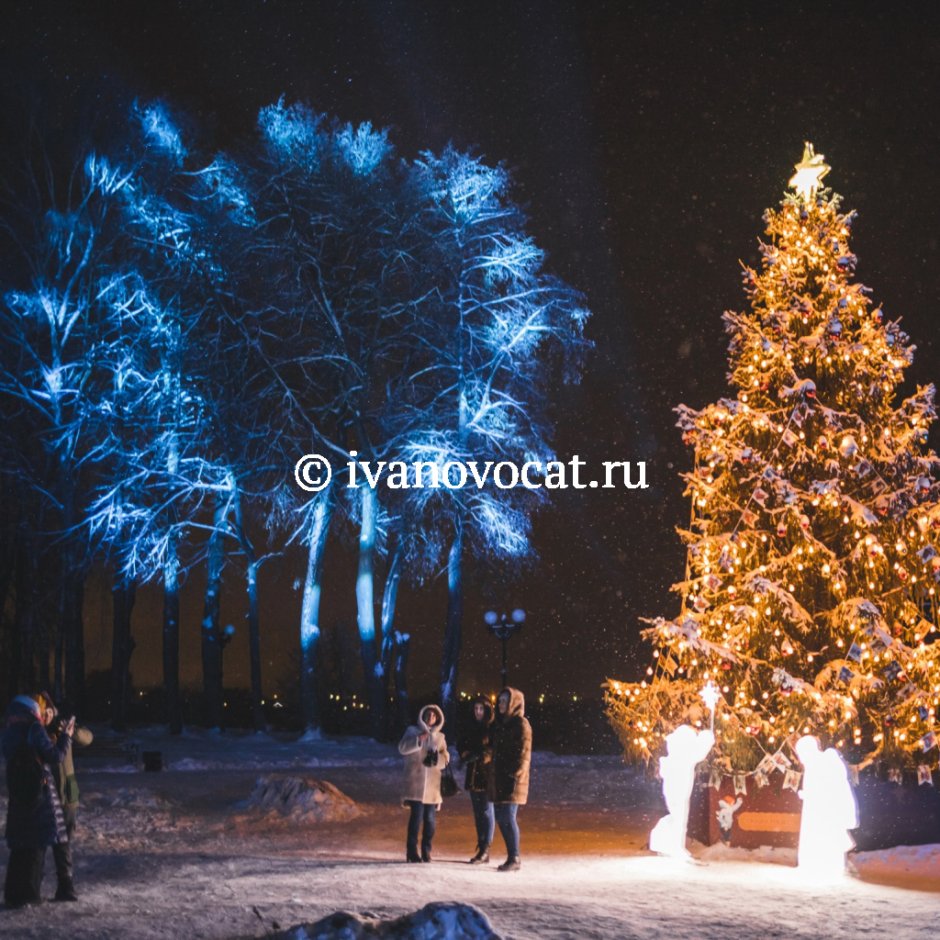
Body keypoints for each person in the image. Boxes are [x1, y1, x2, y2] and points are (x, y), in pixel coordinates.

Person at [2, 693, 74, 908]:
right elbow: (55, 756)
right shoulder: (34, 728)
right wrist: (65, 737)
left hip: (18, 794)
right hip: (38, 793)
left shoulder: (8, 732)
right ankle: (29, 894)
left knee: (20, 846)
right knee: (36, 845)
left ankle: (13, 894)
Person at [44, 694, 93, 901]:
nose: (48, 715)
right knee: (43, 842)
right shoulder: (39, 732)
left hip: (69, 795)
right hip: (48, 793)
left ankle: (66, 886)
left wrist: (70, 731)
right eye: (45, 712)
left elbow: (88, 738)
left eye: (50, 711)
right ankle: (32, 885)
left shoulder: (63, 729)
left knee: (64, 843)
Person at [794, 735, 858, 879]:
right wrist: (807, 794)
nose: (800, 758)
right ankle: (813, 865)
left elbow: (828, 788)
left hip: (825, 813)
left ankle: (826, 866)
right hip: (817, 811)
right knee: (818, 837)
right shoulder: (813, 765)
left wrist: (810, 795)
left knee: (825, 837)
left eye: (801, 753)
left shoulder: (824, 762)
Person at [648, 724, 714, 859]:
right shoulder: (682, 755)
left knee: (678, 818)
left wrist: (706, 738)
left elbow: (697, 752)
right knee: (678, 819)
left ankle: (671, 845)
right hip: (678, 792)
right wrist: (707, 738)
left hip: (679, 791)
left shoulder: (677, 755)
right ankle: (673, 846)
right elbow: (698, 753)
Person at [398, 703, 449, 863]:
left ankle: (426, 851)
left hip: (433, 788)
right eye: (428, 714)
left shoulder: (440, 737)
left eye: (434, 716)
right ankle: (411, 852)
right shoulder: (412, 731)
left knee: (430, 821)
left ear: (438, 718)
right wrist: (418, 740)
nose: (430, 718)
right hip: (416, 785)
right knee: (416, 819)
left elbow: (446, 758)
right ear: (422, 715)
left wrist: (438, 759)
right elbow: (402, 748)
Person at [490, 687, 531, 872]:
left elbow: (524, 753)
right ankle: (511, 856)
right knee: (501, 817)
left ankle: (514, 857)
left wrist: (515, 774)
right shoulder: (502, 724)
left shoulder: (521, 724)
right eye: (500, 701)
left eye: (505, 701)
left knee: (508, 816)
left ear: (514, 703)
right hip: (501, 778)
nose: (501, 704)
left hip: (513, 780)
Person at [458, 696, 494, 864]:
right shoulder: (469, 726)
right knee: (478, 813)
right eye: (476, 709)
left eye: (481, 709)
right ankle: (481, 845)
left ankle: (486, 847)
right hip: (473, 774)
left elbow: (493, 749)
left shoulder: (492, 728)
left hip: (487, 774)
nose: (478, 712)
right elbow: (461, 743)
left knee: (486, 811)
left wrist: (482, 755)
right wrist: (464, 753)